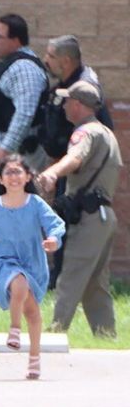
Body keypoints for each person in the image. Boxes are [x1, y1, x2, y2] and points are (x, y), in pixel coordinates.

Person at [37, 81, 122, 337]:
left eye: (66, 101)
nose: (63, 105)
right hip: (104, 217)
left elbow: (75, 158)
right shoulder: (107, 133)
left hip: (89, 217)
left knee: (71, 275)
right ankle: (106, 335)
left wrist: (52, 172)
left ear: (77, 104)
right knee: (95, 283)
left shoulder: (84, 133)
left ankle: (54, 333)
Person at [0, 157, 65, 380]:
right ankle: (14, 329)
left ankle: (34, 358)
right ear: (0, 179)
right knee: (18, 282)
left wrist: (53, 239)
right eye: (8, 173)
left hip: (33, 262)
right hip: (4, 261)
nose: (13, 177)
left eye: (18, 172)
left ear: (28, 177)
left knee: (33, 312)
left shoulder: (36, 204)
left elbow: (55, 224)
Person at [0, 13, 50, 178]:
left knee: (13, 203)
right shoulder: (14, 64)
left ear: (15, 40)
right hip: (9, 155)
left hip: (17, 156)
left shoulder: (24, 68)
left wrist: (5, 148)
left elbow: (25, 113)